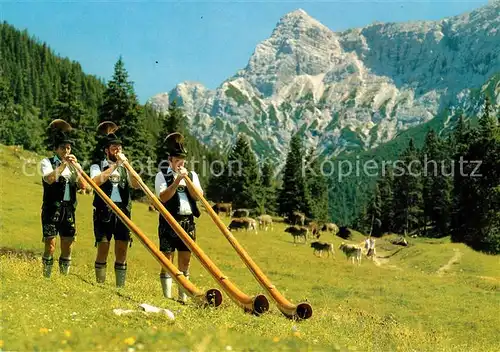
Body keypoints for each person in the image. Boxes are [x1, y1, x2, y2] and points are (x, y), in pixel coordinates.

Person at [155, 132, 203, 303]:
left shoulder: (192, 176)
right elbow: (163, 197)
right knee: (167, 260)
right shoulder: (162, 175)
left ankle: (183, 297)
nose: (181, 164)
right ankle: (167, 297)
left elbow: (198, 196)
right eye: (177, 161)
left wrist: (187, 180)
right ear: (170, 161)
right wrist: (176, 182)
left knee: (185, 261)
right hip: (169, 222)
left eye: (183, 161)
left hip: (188, 222)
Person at [90, 122, 140, 287]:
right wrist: (114, 166)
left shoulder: (126, 167)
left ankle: (120, 286)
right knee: (103, 247)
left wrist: (127, 165)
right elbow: (95, 182)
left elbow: (136, 184)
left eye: (119, 148)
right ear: (106, 150)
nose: (117, 151)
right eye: (113, 148)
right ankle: (100, 284)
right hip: (104, 212)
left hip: (123, 211)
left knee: (122, 249)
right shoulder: (97, 165)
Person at [40, 120, 87, 277]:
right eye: (63, 148)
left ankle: (63, 277)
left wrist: (77, 169)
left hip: (69, 209)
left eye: (68, 148)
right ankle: (46, 276)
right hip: (51, 208)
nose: (66, 151)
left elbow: (83, 186)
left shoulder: (74, 166)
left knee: (67, 243)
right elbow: (50, 179)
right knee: (50, 244)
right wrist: (63, 165)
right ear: (55, 149)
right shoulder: (47, 162)